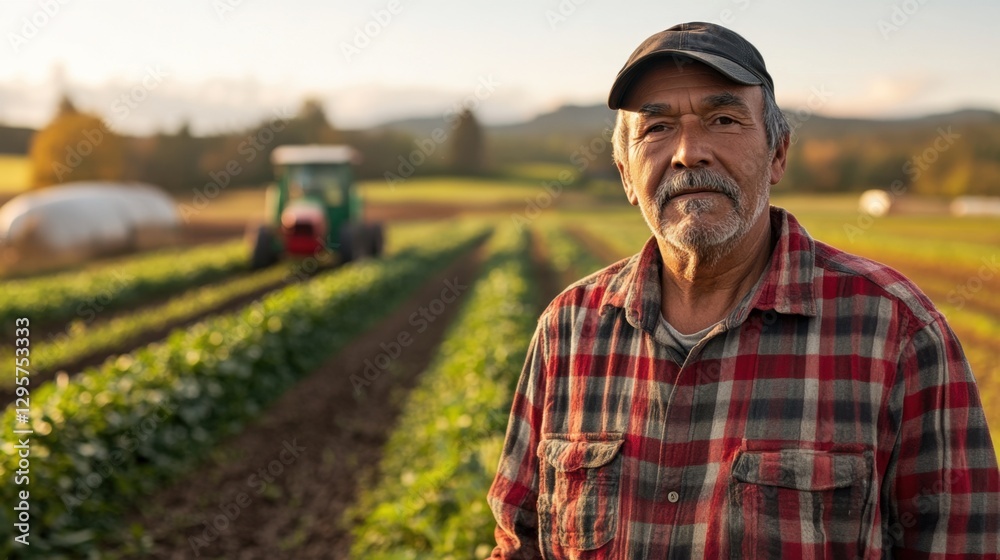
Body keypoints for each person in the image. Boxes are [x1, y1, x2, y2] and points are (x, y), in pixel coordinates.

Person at [486, 21, 1000, 558]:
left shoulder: (897, 333)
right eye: (657, 128)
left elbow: (961, 543)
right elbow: (518, 541)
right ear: (624, 175)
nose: (688, 153)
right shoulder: (568, 329)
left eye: (724, 119)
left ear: (778, 155)